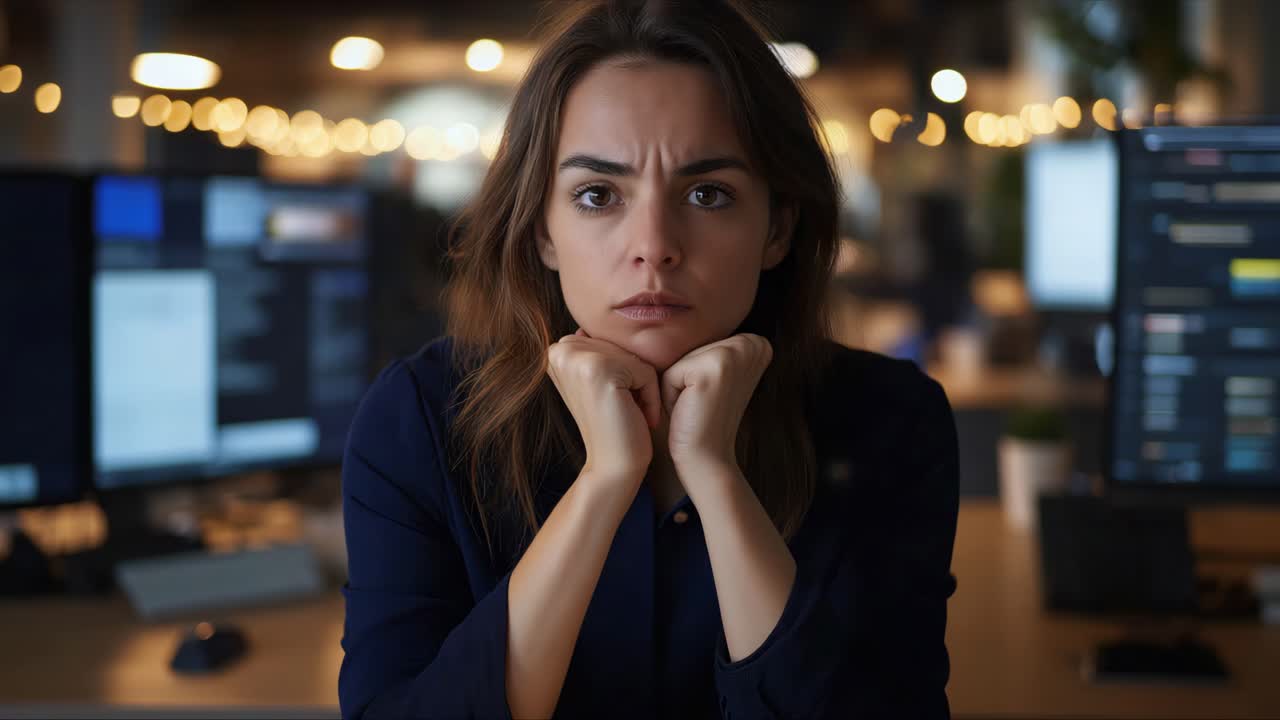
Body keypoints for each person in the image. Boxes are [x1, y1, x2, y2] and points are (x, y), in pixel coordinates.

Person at [338, 1, 959, 718]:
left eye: (708, 193)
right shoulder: (420, 420)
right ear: (543, 231)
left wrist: (716, 475)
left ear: (777, 229)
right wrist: (604, 482)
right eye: (598, 195)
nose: (655, 245)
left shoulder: (890, 423)